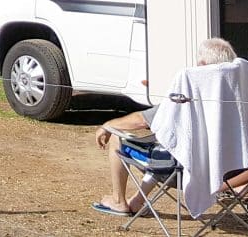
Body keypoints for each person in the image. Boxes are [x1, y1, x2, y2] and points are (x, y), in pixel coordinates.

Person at [91, 38, 238, 217]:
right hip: (229, 168)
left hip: (185, 170)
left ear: (202, 65)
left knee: (118, 138)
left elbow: (142, 121)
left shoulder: (192, 91)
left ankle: (118, 201)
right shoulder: (238, 100)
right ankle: (138, 201)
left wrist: (108, 125)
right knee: (166, 145)